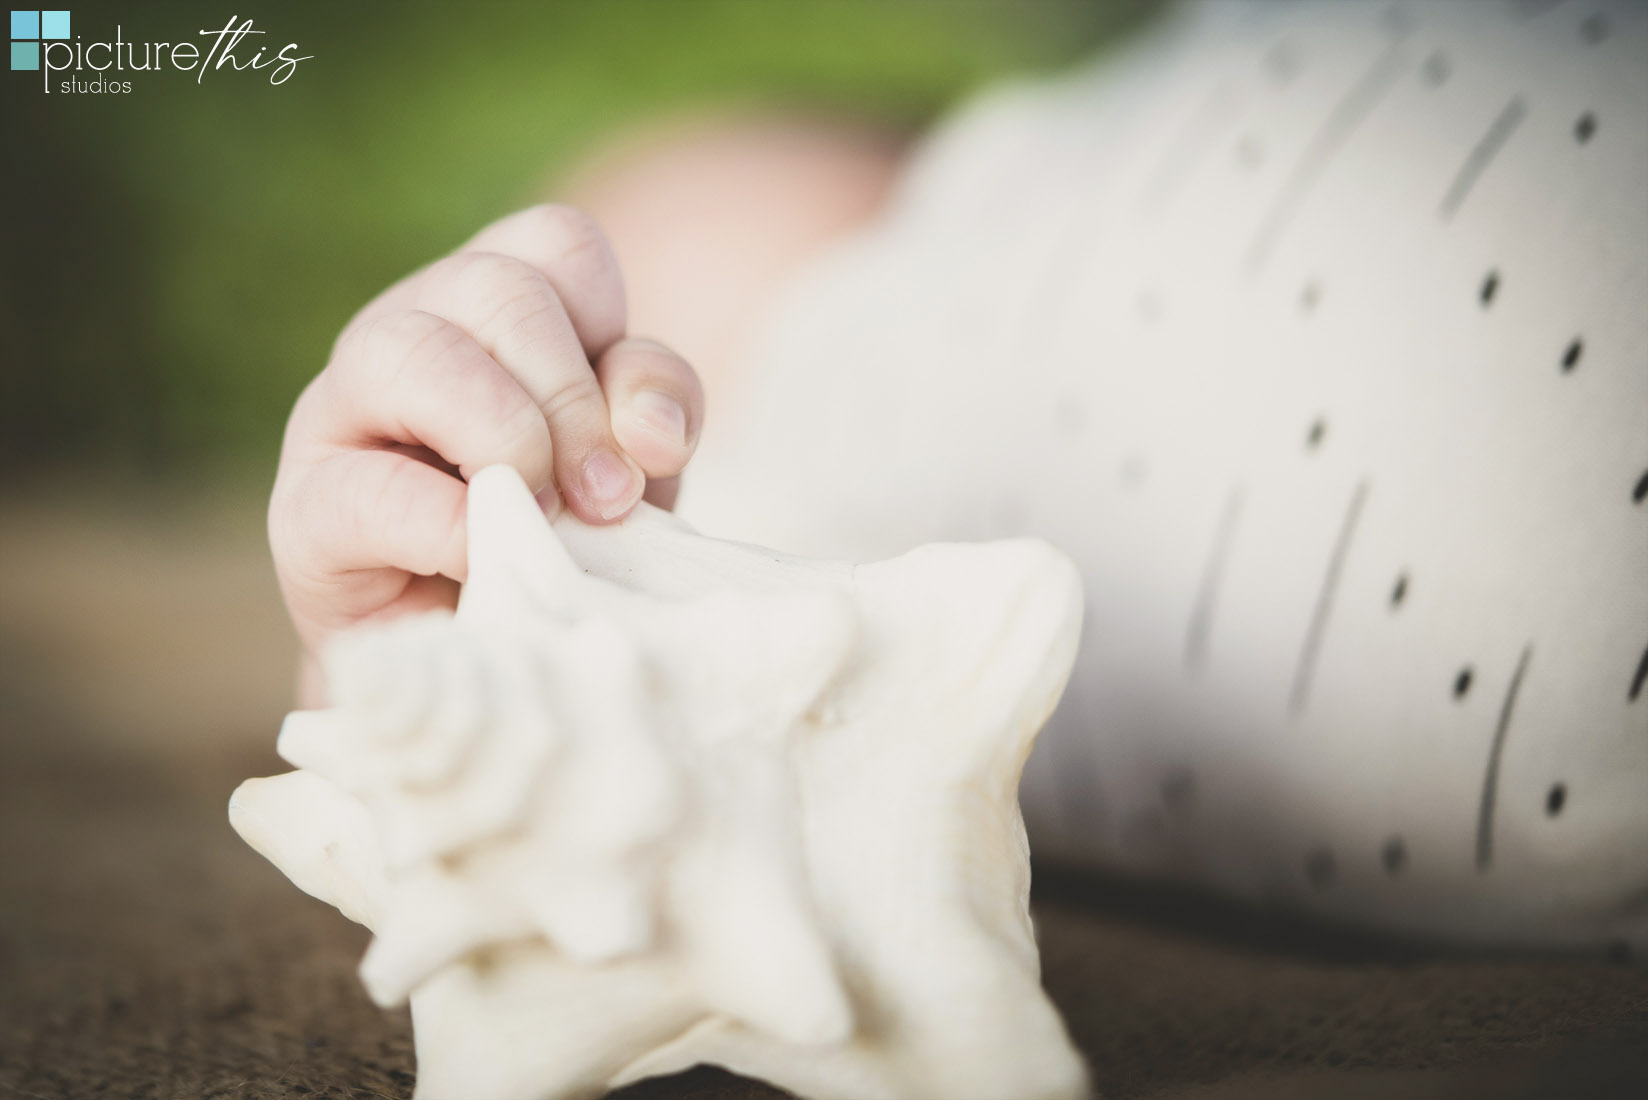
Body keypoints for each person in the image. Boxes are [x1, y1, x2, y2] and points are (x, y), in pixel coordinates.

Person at [269, 0, 1647, 950]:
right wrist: (397, 668)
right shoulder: (814, 557)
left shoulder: (1058, 163)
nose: (611, 394)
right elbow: (557, 827)